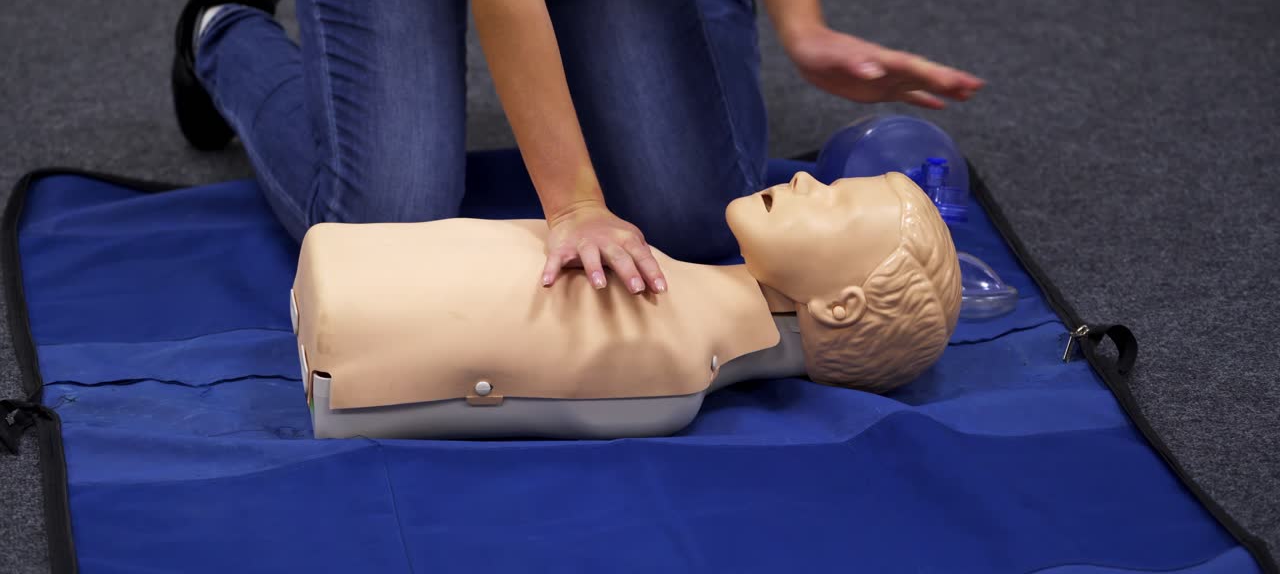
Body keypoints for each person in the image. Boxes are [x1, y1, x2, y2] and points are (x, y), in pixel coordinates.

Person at [172, 0, 983, 298]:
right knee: (387, 228)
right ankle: (224, 30)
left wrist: (803, 28)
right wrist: (575, 204)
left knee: (697, 223)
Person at [293, 171, 962, 439]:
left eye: (836, 203)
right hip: (347, 290)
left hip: (352, 343)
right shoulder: (675, 322)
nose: (805, 176)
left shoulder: (674, 367)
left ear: (841, 307)